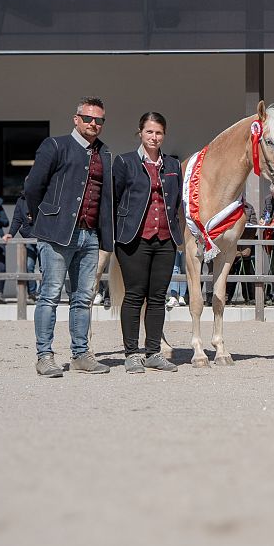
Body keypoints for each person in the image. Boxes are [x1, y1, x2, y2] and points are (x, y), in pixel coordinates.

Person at [22, 96, 116, 377]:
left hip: (90, 236)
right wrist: (46, 219)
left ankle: (80, 354)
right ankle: (44, 356)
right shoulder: (55, 145)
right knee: (50, 296)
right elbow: (33, 187)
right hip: (56, 234)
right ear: (76, 119)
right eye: (88, 118)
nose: (93, 124)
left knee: (83, 298)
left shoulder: (105, 153)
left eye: (99, 120)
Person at [111, 112, 182, 373]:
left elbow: (177, 203)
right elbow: (114, 199)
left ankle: (153, 352)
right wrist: (115, 235)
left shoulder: (173, 166)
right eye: (150, 132)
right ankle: (131, 353)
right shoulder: (125, 162)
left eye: (159, 132)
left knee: (158, 297)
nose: (154, 137)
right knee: (134, 295)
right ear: (140, 132)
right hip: (133, 239)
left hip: (165, 239)